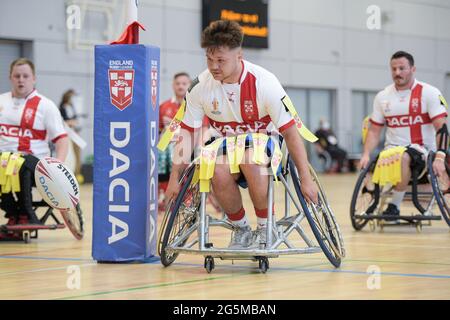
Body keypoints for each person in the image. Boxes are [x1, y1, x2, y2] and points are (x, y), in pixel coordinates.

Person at [164, 20, 318, 249]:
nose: (214, 66)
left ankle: (267, 227)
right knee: (215, 167)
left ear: (239, 56)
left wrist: (306, 179)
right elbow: (186, 133)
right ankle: (242, 228)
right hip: (226, 146)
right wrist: (174, 179)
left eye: (220, 60)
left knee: (250, 157)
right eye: (209, 59)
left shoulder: (265, 83)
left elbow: (291, 132)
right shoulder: (200, 86)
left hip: (265, 145)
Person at [360, 51, 448, 219]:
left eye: (402, 68)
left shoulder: (429, 92)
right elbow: (374, 130)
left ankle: (394, 205)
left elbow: (442, 128)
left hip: (422, 151)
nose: (397, 73)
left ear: (412, 69)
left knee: (404, 157)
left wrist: (440, 157)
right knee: (371, 164)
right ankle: (372, 199)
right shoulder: (382, 96)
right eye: (393, 69)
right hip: (391, 151)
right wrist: (365, 154)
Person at [0, 58, 69, 229]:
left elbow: (61, 139)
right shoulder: (2, 101)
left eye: (25, 76)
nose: (21, 80)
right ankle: (13, 214)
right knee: (6, 164)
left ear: (34, 78)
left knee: (22, 163)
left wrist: (57, 165)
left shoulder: (46, 106)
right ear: (10, 78)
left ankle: (27, 214)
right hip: (4, 160)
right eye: (17, 76)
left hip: (35, 162)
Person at [59, 89, 82, 182]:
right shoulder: (62, 108)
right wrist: (70, 122)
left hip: (75, 133)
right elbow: (61, 121)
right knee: (69, 155)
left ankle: (77, 174)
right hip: (67, 134)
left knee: (77, 154)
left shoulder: (72, 107)